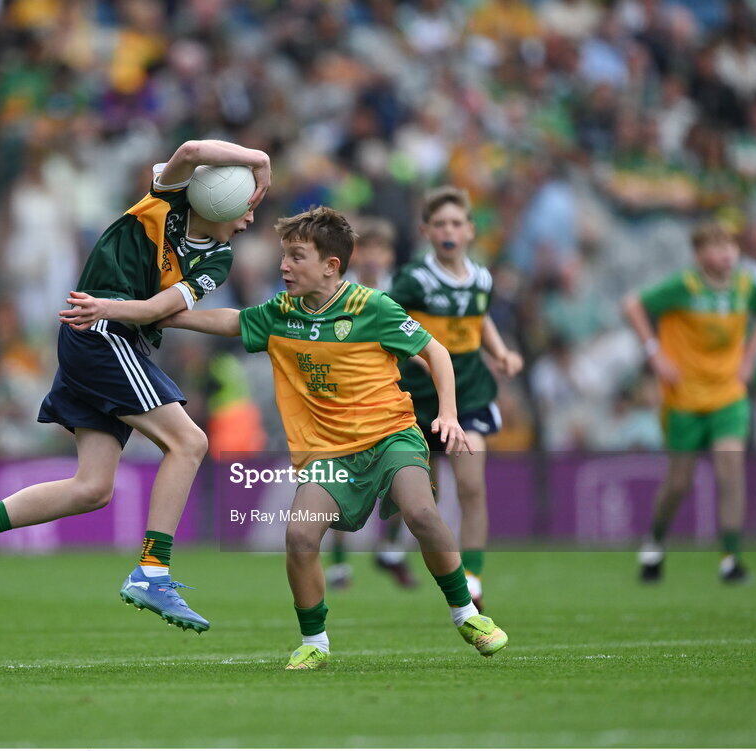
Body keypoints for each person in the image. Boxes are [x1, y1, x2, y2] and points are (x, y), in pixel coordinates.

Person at [0, 139, 272, 634]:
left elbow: (159, 311)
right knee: (189, 442)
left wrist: (112, 307)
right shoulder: (164, 201)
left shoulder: (218, 258)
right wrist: (258, 160)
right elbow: (192, 150)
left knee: (93, 488)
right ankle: (152, 571)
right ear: (219, 202)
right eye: (246, 205)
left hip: (109, 331)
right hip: (101, 336)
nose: (252, 216)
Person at [162, 206, 508, 669]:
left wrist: (448, 414)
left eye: (296, 256)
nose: (284, 266)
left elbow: (436, 351)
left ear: (330, 265)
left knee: (423, 513)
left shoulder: (373, 307)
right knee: (300, 535)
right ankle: (314, 642)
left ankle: (466, 614)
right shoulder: (281, 312)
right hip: (328, 451)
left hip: (390, 436)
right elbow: (231, 320)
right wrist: (166, 316)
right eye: (284, 255)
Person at [622, 221, 756, 584]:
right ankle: (654, 544)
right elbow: (633, 305)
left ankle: (730, 559)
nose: (727, 253)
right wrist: (654, 353)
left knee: (730, 470)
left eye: (730, 245)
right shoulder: (684, 286)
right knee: (679, 482)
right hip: (685, 397)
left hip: (728, 394)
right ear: (698, 254)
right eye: (716, 246)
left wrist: (751, 354)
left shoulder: (745, 285)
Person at [390, 187, 523, 611]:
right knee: (421, 496)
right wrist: (421, 360)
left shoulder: (482, 278)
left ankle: (474, 577)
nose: (448, 231)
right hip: (419, 399)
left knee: (471, 484)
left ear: (470, 230)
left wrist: (500, 352)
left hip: (470, 394)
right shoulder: (414, 279)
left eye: (456, 223)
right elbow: (387, 323)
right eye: (440, 224)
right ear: (426, 231)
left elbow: (479, 320)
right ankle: (401, 552)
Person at [327, 217, 418, 590]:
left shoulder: (401, 293)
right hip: (345, 398)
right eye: (367, 248)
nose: (373, 256)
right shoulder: (338, 291)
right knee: (341, 480)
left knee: (407, 478)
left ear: (390, 255)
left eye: (381, 248)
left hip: (394, 396)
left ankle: (390, 549)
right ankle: (339, 565)